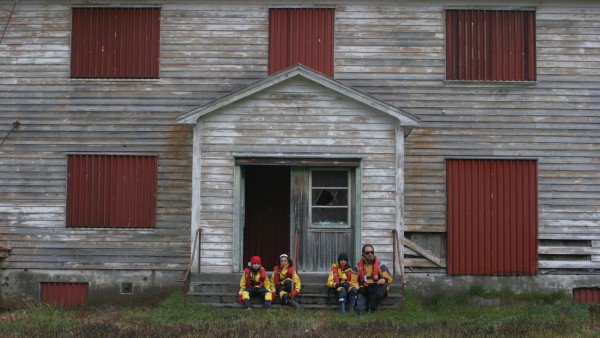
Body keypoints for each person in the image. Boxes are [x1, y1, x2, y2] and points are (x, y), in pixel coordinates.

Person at [352, 244, 393, 315]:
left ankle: (371, 308)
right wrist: (359, 289)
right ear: (363, 254)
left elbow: (389, 277)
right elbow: (353, 281)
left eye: (372, 252)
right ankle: (364, 307)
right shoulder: (357, 266)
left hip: (376, 288)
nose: (370, 254)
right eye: (367, 253)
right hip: (364, 289)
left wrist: (384, 280)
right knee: (359, 310)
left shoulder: (381, 265)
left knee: (383, 286)